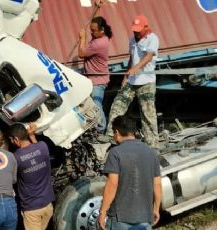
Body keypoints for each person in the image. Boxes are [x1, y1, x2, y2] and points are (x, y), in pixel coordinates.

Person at [98, 15, 159, 147]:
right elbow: (131, 58)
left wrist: (136, 68)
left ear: (146, 27)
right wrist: (125, 77)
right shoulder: (132, 40)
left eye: (138, 30)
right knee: (117, 106)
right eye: (134, 29)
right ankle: (110, 136)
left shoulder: (153, 38)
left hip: (146, 82)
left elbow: (148, 56)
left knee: (148, 114)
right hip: (131, 82)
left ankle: (153, 144)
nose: (136, 32)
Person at [98, 116, 162, 230]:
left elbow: (112, 184)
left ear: (117, 132)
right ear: (133, 131)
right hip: (145, 218)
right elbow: (157, 184)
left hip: (120, 218)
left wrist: (103, 211)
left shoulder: (115, 152)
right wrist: (156, 208)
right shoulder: (151, 152)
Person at [8, 123, 54, 230]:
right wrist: (32, 136)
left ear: (16, 139)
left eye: (11, 139)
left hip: (32, 209)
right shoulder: (43, 146)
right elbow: (37, 150)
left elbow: (12, 179)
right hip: (48, 205)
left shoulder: (16, 157)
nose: (11, 142)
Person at [78, 3, 112, 133]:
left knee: (96, 105)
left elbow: (81, 54)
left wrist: (82, 38)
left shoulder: (99, 43)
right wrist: (98, 8)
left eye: (93, 31)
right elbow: (97, 22)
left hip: (98, 80)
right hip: (91, 76)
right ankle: (94, 126)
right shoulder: (102, 35)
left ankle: (101, 128)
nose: (91, 32)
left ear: (101, 30)